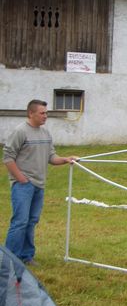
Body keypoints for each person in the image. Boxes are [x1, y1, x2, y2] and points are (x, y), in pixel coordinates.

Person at [3, 99, 78, 266]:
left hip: (39, 185)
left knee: (31, 221)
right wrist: (20, 178)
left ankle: (26, 256)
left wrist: (66, 159)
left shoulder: (45, 133)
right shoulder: (20, 131)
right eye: (42, 113)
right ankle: (9, 260)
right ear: (31, 113)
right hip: (23, 185)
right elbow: (8, 158)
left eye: (46, 113)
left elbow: (51, 157)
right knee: (20, 221)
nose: (46, 116)